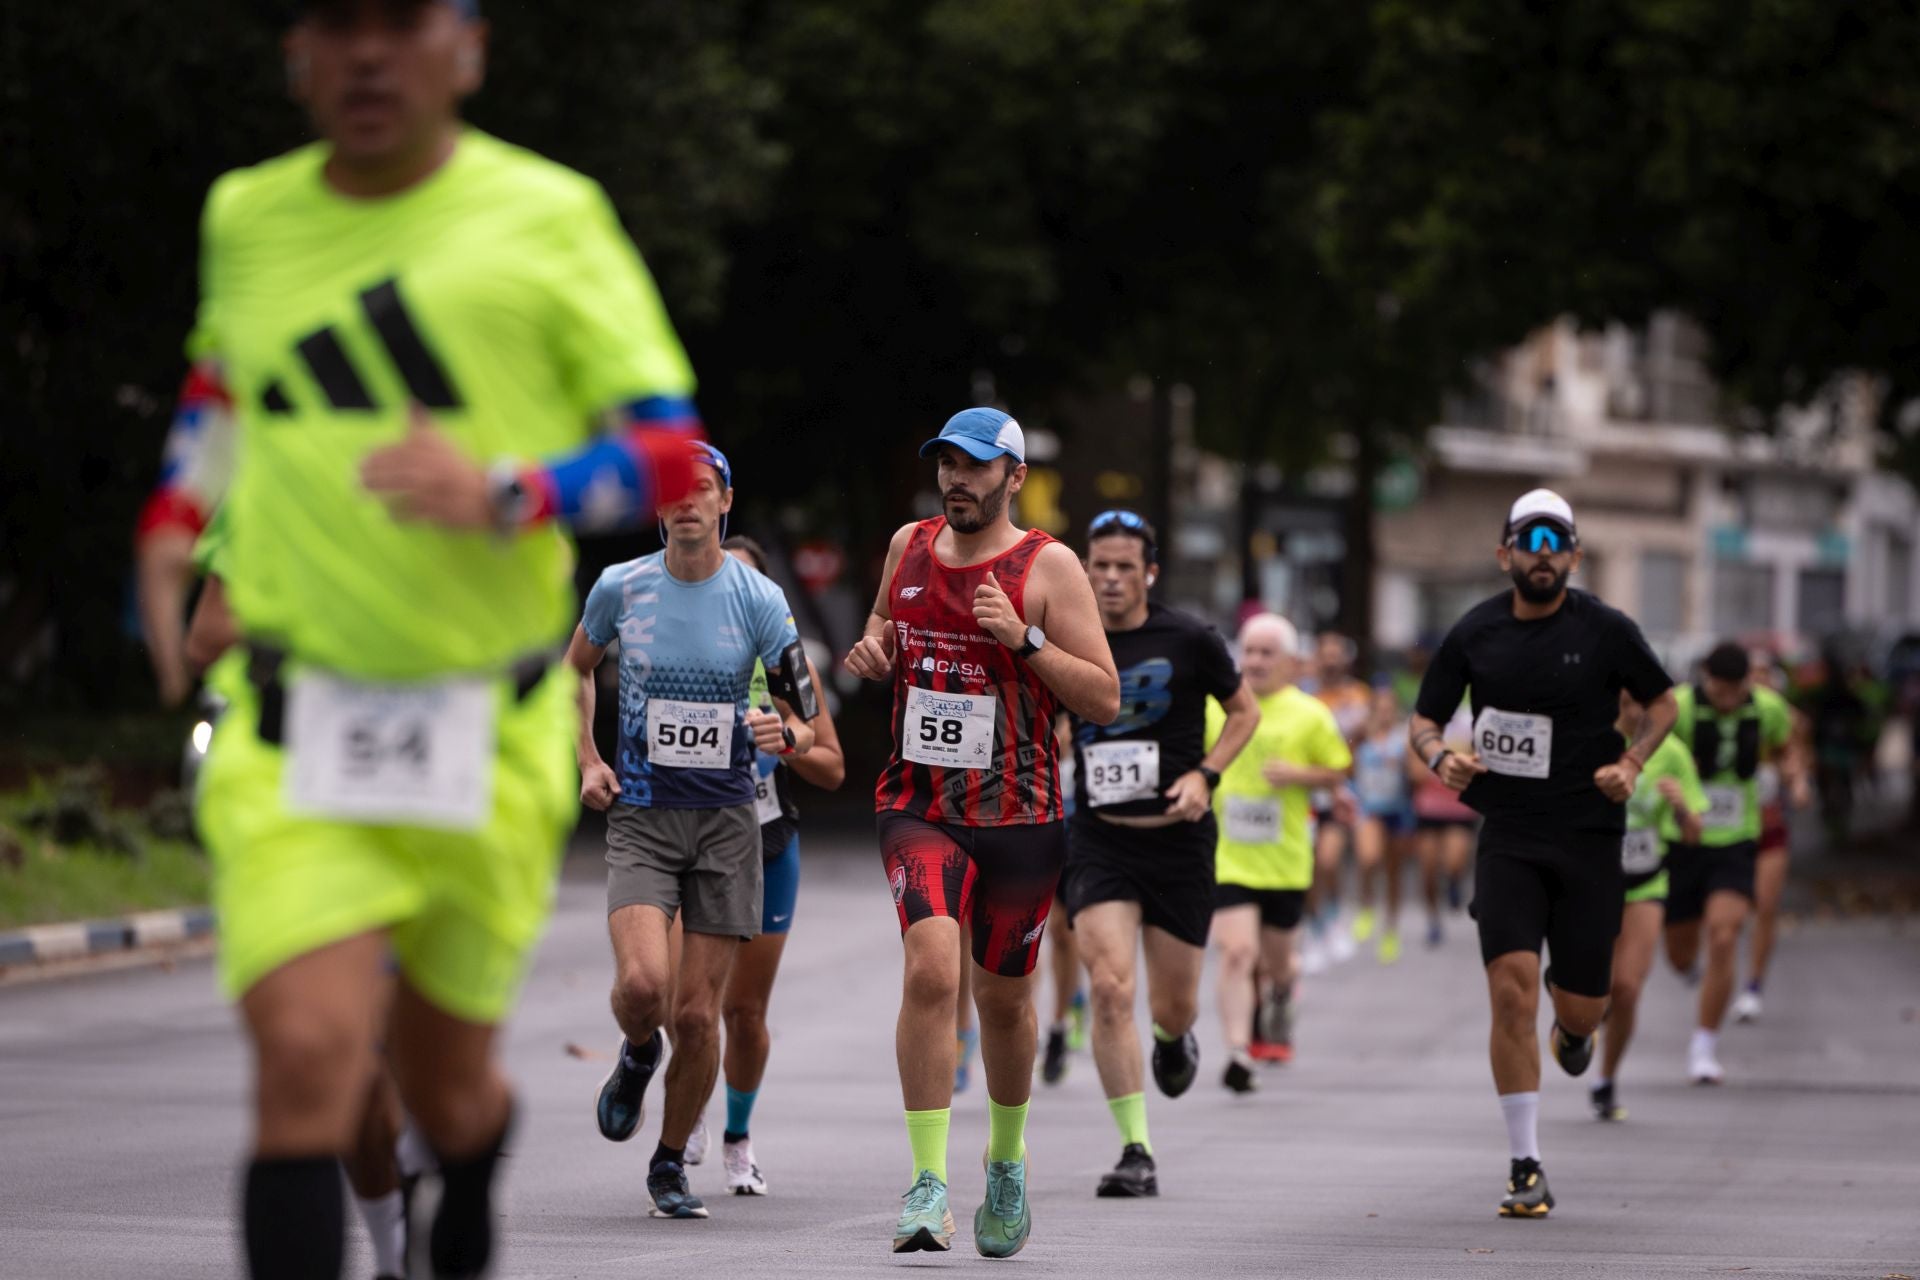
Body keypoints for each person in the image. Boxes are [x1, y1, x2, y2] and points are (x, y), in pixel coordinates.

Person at [190, 2, 710, 1274]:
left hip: (481, 726)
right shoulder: (247, 217)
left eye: (402, 23)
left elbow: (665, 449)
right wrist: (174, 522)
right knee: (310, 1055)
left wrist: (509, 489)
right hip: (291, 718)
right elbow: (220, 395)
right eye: (337, 24)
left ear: (465, 48)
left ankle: (470, 1152)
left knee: (441, 1080)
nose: (371, 55)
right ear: (295, 52)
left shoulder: (550, 215)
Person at [845, 407, 1119, 1257]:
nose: (957, 479)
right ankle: (928, 1184)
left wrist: (1024, 637)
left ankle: (1006, 1160)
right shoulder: (908, 547)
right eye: (946, 465)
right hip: (920, 805)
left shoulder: (1050, 566)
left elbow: (1103, 697)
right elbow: (884, 629)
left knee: (1003, 1001)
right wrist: (873, 650)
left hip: (1021, 816)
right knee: (932, 970)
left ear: (1013, 477)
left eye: (974, 465)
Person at [1409, 489, 1676, 1218]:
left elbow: (1663, 703)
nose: (1543, 555)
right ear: (1505, 555)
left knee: (1587, 1008)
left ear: (1575, 557)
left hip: (1590, 836)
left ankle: (1574, 1027)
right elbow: (1425, 719)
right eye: (1530, 542)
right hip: (1511, 835)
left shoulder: (1606, 630)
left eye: (1557, 543)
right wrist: (1441, 757)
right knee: (1509, 988)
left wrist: (1634, 764)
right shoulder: (1475, 633)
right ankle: (1525, 1163)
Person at [570, 445, 820, 1220]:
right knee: (645, 989)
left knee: (696, 1013)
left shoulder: (759, 599)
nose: (686, 504)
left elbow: (806, 719)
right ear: (658, 508)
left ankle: (671, 1160)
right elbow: (576, 667)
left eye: (701, 491)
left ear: (724, 503)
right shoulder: (622, 586)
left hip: (726, 823)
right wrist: (586, 757)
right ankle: (637, 1052)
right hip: (643, 817)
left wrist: (789, 736)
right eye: (673, 493)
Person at [1060, 510, 1257, 1195]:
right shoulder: (1068, 636)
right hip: (1098, 837)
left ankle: (1175, 1041)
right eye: (1099, 565)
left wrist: (1207, 775)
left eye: (1123, 567)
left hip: (1177, 841)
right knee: (1111, 989)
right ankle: (1135, 1148)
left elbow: (1245, 713)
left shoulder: (1189, 637)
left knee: (1173, 1008)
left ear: (1149, 572)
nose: (1109, 579)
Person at [704, 535, 847, 1194]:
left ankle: (737, 1138)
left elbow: (833, 766)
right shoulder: (671, 654)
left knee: (743, 1011)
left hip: (766, 842)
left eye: (747, 585)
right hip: (691, 839)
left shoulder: (785, 665)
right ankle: (680, 1111)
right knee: (688, 1003)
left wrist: (788, 740)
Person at [1209, 614, 1351, 1090]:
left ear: (1291, 662)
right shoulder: (1217, 708)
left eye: (1267, 653)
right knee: (1235, 952)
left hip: (1286, 858)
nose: (1255, 661)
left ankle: (1284, 994)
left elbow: (1338, 770)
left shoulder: (1311, 714)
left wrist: (1298, 775)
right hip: (1229, 854)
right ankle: (1237, 1050)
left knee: (1277, 965)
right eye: (1248, 651)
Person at [1662, 642, 1805, 1084]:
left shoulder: (1767, 708)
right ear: (1706, 679)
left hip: (1738, 837)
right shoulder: (1679, 708)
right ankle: (1691, 971)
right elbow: (1654, 755)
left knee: (1724, 934)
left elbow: (1788, 744)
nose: (1727, 701)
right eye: (1719, 691)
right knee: (1681, 950)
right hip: (1683, 838)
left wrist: (1795, 775)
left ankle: (1703, 1046)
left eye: (1734, 692)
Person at [1590, 690, 1705, 1122]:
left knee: (1628, 987)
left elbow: (1694, 833)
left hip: (1646, 882)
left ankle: (1605, 1079)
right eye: (1624, 703)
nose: (1635, 712)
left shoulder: (1672, 753)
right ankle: (1578, 1024)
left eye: (1643, 703)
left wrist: (1680, 808)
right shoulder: (1592, 743)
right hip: (1594, 884)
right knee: (1593, 993)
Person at [1733, 653, 1802, 1023]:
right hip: (1725, 831)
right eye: (1752, 675)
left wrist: (1798, 779)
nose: (1758, 683)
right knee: (1726, 913)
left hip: (1770, 824)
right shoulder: (1718, 715)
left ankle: (1753, 986)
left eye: (1765, 675)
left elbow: (1797, 757)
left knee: (1765, 905)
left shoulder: (1785, 718)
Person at [1307, 632, 1371, 964]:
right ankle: (1317, 927)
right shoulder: (1305, 693)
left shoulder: (1358, 695)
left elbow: (1362, 739)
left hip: (1341, 788)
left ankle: (1333, 914)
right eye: (1325, 654)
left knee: (1328, 860)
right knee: (1309, 865)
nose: (1331, 661)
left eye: (1336, 654)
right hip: (1307, 790)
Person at [1351, 686, 1417, 964]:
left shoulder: (1405, 739)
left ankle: (1390, 928)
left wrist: (1403, 762)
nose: (1385, 714)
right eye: (1380, 708)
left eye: (1389, 709)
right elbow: (1345, 766)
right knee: (1368, 858)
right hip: (1369, 808)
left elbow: (1417, 776)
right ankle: (1366, 904)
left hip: (1398, 810)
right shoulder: (1361, 735)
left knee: (1393, 873)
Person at [1409, 703, 1478, 947]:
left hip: (1458, 807)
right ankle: (1433, 920)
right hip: (1428, 808)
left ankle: (1454, 882)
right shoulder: (1421, 724)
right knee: (1427, 869)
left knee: (1453, 860)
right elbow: (1415, 772)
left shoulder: (1469, 722)